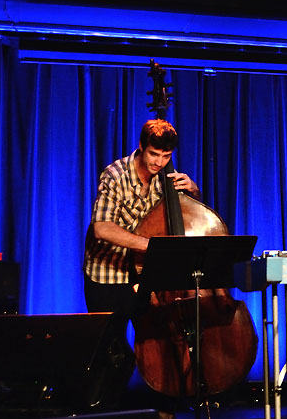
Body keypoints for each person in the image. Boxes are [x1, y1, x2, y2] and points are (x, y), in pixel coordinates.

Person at [82, 119, 199, 415]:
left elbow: (187, 217)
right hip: (108, 275)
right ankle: (100, 411)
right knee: (112, 353)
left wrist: (193, 193)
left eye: (166, 156)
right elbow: (102, 228)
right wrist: (149, 246)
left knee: (163, 345)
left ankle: (165, 410)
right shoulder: (115, 175)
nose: (159, 162)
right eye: (153, 155)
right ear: (141, 147)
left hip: (147, 276)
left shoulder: (167, 177)